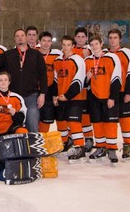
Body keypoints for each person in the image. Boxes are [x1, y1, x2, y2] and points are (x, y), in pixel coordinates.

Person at [0, 29, 47, 132]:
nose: (20, 37)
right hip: (13, 96)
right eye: (17, 36)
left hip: (31, 95)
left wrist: (42, 94)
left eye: (22, 35)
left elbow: (43, 75)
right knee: (13, 123)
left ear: (26, 37)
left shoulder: (36, 55)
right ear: (14, 39)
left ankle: (33, 145)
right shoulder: (8, 54)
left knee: (32, 119)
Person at [85, 35, 121, 164]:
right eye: (92, 44)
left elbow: (116, 79)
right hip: (94, 98)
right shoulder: (88, 60)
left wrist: (112, 97)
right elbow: (84, 84)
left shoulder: (111, 58)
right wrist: (87, 78)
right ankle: (100, 147)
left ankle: (111, 148)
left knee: (110, 124)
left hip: (108, 97)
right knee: (97, 123)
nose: (94, 46)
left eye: (96, 44)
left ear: (101, 44)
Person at [53, 35, 86, 163]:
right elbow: (56, 80)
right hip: (61, 97)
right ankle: (65, 144)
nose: (66, 47)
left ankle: (80, 148)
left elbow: (79, 80)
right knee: (61, 122)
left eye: (68, 45)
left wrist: (67, 96)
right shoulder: (58, 60)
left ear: (73, 46)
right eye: (64, 45)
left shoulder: (78, 59)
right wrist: (56, 96)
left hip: (75, 97)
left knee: (74, 123)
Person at [108, 28, 130, 160]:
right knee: (111, 121)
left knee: (125, 120)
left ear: (120, 39)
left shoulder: (127, 53)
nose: (113, 40)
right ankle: (111, 146)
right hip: (110, 95)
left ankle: (127, 145)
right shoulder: (105, 54)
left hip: (123, 92)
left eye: (115, 38)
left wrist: (128, 92)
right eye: (110, 38)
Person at [73, 27, 94, 152]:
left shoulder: (91, 50)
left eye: (83, 37)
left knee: (85, 115)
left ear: (86, 38)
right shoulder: (70, 49)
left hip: (86, 89)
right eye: (78, 37)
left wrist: (89, 55)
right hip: (73, 88)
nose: (80, 39)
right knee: (73, 115)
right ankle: (72, 137)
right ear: (75, 38)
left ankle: (89, 138)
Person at [37, 31, 62, 133]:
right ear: (39, 41)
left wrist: (55, 93)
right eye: (43, 41)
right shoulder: (34, 53)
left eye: (48, 41)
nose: (46, 43)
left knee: (47, 118)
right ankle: (34, 140)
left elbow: (58, 75)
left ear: (51, 42)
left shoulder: (57, 54)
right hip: (35, 90)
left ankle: (43, 140)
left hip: (50, 89)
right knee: (35, 116)